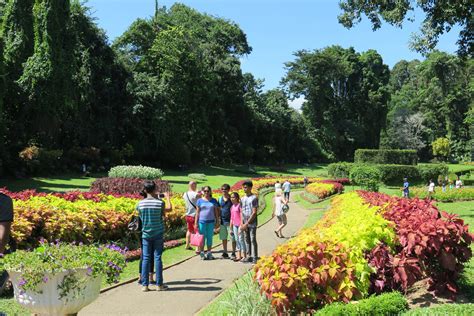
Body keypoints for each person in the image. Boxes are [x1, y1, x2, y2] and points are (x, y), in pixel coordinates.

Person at [137, 180, 172, 292]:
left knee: (146, 258)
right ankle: (159, 284)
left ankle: (145, 285)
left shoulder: (140, 204)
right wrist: (167, 198)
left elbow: (140, 216)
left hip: (146, 234)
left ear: (145, 190)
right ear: (155, 189)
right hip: (158, 233)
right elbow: (166, 212)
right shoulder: (160, 203)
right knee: (157, 258)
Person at [195, 186, 220, 260]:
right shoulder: (199, 201)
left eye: (208, 191)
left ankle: (209, 252)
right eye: (205, 191)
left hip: (211, 222)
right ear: (203, 192)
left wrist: (217, 221)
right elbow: (197, 212)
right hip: (202, 222)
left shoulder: (214, 200)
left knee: (209, 237)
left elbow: (216, 212)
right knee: (202, 238)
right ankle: (202, 252)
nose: (206, 192)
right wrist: (196, 223)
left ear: (210, 192)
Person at [241, 180, 259, 264]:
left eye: (246, 187)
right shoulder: (242, 198)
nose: (244, 189)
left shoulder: (254, 198)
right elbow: (241, 211)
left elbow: (254, 212)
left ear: (250, 188)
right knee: (246, 239)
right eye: (243, 187)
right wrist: (242, 223)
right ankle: (249, 256)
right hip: (245, 222)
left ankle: (255, 256)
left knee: (252, 239)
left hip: (252, 222)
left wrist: (247, 223)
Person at [183, 181, 201, 252]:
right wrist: (199, 193)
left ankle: (187, 245)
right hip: (195, 215)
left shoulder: (185, 194)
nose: (196, 186)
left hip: (188, 215)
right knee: (197, 231)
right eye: (195, 185)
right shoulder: (195, 194)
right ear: (193, 185)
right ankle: (197, 248)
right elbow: (201, 199)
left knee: (189, 230)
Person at [218, 184, 234, 259]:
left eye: (225, 189)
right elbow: (218, 209)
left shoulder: (232, 198)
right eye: (222, 189)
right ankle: (225, 252)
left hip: (231, 221)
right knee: (223, 237)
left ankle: (233, 252)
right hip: (222, 221)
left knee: (233, 237)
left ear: (228, 190)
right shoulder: (220, 199)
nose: (224, 190)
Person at [229, 192, 246, 262]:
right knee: (236, 240)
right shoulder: (232, 207)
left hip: (239, 225)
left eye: (233, 197)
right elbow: (232, 218)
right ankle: (239, 256)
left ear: (237, 198)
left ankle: (244, 255)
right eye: (231, 197)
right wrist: (231, 228)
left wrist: (241, 225)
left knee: (241, 239)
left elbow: (242, 216)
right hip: (234, 225)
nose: (232, 199)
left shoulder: (239, 206)